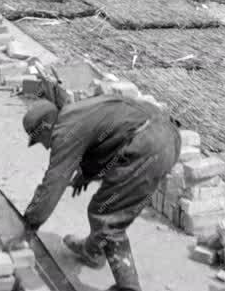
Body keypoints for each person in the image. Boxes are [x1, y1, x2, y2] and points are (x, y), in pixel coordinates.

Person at [22, 95, 181, 291]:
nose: (46, 146)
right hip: (167, 135)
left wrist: (28, 224)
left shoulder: (64, 131)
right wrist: (86, 174)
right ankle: (92, 251)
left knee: (107, 216)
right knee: (105, 203)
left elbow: (52, 184)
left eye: (40, 140)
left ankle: (128, 287)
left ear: (45, 127)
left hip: (148, 145)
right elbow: (107, 140)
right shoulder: (75, 113)